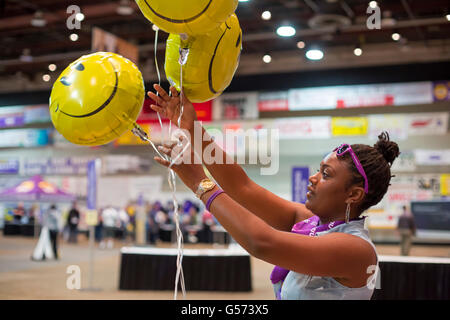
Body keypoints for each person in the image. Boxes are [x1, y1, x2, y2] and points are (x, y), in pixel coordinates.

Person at [148, 84, 401, 300]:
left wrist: (199, 183)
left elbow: (261, 242)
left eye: (326, 174)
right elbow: (241, 187)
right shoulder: (309, 221)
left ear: (353, 195)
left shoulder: (356, 249)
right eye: (318, 169)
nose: (313, 178)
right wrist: (193, 128)